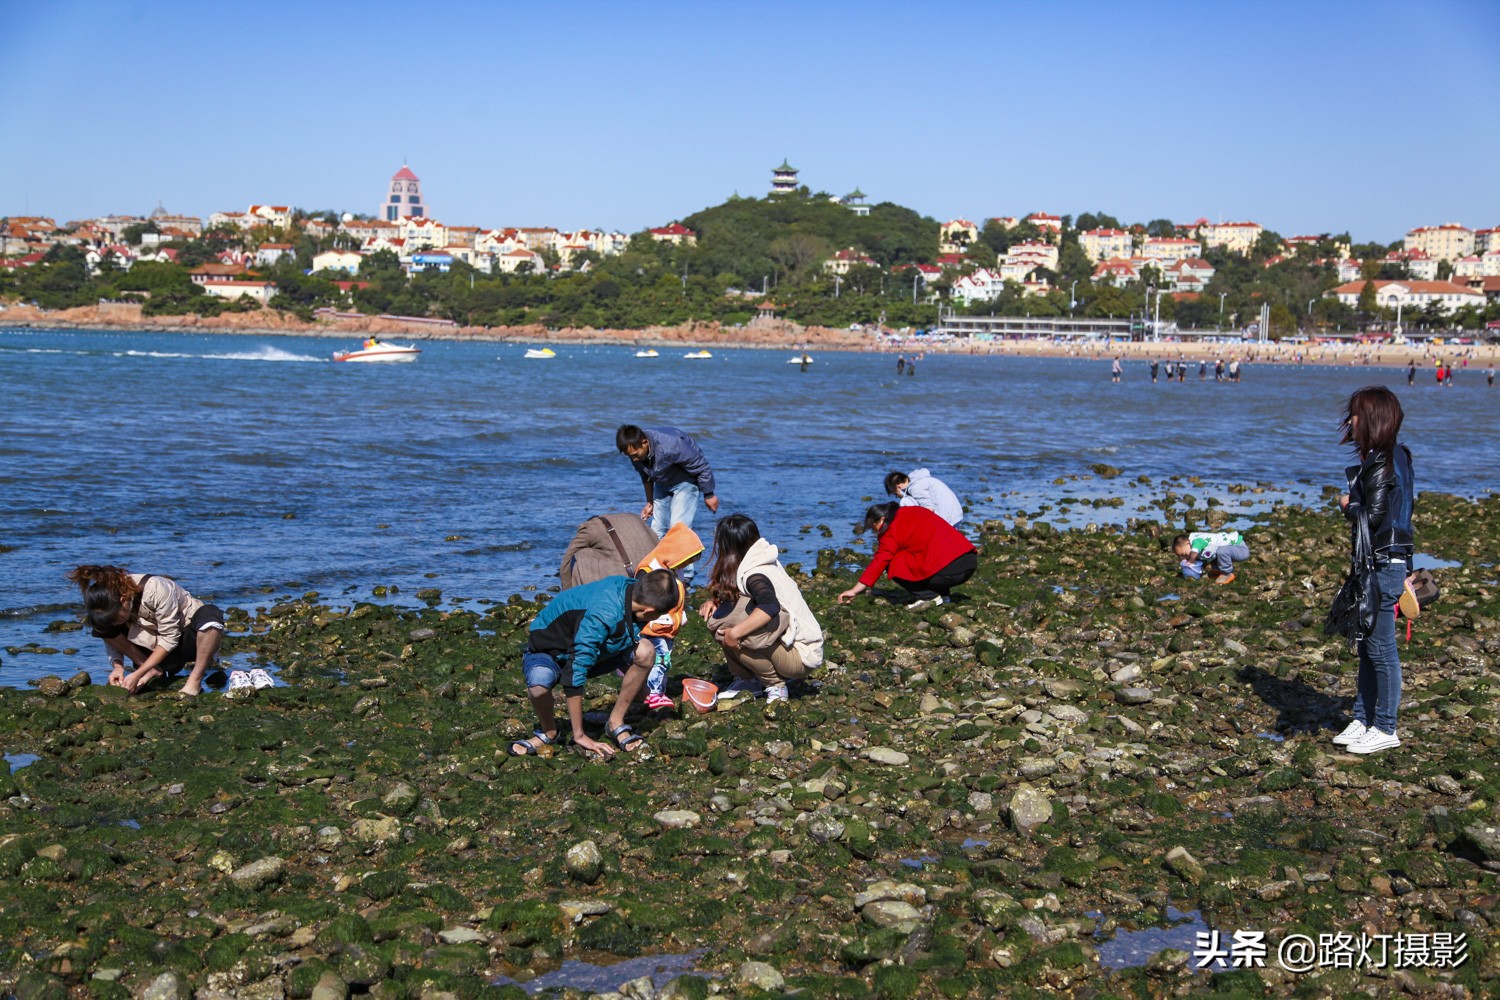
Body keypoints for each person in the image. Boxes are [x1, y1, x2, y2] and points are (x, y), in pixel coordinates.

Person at [510, 569, 680, 758]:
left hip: (585, 645)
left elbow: (624, 635)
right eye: (659, 616)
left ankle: (615, 722)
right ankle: (549, 732)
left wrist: (640, 680)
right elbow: (576, 671)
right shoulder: (602, 614)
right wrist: (580, 735)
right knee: (539, 686)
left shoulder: (632, 590)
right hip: (549, 651)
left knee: (646, 652)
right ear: (649, 611)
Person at [1332, 386, 1414, 756]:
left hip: (1383, 564)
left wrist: (1348, 505)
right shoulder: (1398, 457)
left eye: (1356, 414)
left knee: (1381, 649)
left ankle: (1385, 726)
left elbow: (1375, 516)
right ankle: (1363, 718)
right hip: (1385, 562)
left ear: (1373, 418)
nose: (1350, 420)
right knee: (1367, 646)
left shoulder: (1382, 460)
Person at [698, 514, 823, 704]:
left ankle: (775, 685)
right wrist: (714, 602)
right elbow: (740, 599)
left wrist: (736, 633)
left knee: (726, 629)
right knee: (722, 618)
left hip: (801, 656)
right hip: (796, 649)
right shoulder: (761, 558)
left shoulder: (755, 573)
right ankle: (747, 680)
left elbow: (769, 606)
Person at [67, 565, 225, 696]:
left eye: (116, 619)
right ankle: (152, 671)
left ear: (123, 601)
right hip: (153, 651)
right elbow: (109, 633)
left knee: (211, 616)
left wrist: (137, 673)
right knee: (100, 625)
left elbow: (170, 638)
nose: (115, 623)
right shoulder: (110, 601)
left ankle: (194, 680)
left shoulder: (156, 588)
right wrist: (118, 666)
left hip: (186, 642)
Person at [616, 424, 719, 583]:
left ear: (645, 442)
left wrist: (709, 493)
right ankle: (657, 572)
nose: (634, 459)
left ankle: (685, 579)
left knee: (678, 527)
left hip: (686, 481)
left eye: (636, 455)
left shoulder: (671, 444)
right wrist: (649, 502)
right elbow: (646, 476)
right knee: (656, 530)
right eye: (630, 456)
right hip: (662, 482)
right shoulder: (635, 454)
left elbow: (701, 465)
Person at [838, 502, 976, 610]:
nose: (877, 533)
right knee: (926, 556)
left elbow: (880, 560)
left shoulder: (890, 530)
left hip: (950, 571)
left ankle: (930, 597)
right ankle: (944, 596)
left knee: (892, 564)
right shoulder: (915, 510)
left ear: (881, 519)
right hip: (969, 561)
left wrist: (855, 590)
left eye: (875, 528)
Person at [885, 468, 963, 526]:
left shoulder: (916, 487)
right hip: (953, 513)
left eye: (895, 494)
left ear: (898, 487)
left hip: (949, 517)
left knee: (905, 502)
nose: (898, 497)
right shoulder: (919, 481)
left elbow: (929, 509)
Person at [1173, 531, 1249, 585]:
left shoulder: (1197, 541)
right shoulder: (1193, 546)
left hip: (1240, 549)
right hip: (1231, 550)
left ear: (1187, 543)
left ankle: (1227, 573)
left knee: (1221, 551)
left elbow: (1194, 551)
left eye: (1185, 554)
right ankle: (1217, 571)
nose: (1186, 557)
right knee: (1210, 554)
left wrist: (1191, 561)